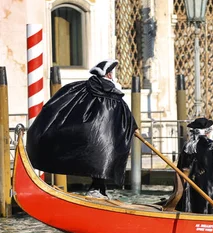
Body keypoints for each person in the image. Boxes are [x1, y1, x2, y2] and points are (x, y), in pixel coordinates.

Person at [26, 59, 137, 199]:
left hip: (87, 135)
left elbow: (59, 106)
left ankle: (99, 190)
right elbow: (124, 113)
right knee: (103, 161)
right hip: (105, 138)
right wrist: (134, 127)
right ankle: (97, 190)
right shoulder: (113, 94)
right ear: (109, 75)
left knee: (98, 162)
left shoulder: (80, 88)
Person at [176, 117, 213, 214]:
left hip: (190, 185)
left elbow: (180, 167)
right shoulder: (211, 145)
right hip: (208, 187)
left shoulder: (187, 146)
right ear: (207, 132)